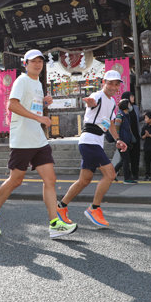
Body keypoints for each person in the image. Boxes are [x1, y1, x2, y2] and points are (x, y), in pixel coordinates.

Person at [0, 49, 76, 238]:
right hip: (23, 139)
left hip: (38, 139)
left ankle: (54, 224)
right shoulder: (22, 80)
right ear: (25, 64)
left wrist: (44, 103)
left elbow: (30, 105)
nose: (38, 64)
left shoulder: (38, 83)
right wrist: (39, 118)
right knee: (16, 180)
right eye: (33, 61)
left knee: (50, 180)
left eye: (40, 61)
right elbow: (12, 105)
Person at [55, 69, 128, 229]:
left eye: (116, 84)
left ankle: (60, 207)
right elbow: (91, 102)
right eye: (110, 83)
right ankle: (94, 209)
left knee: (84, 180)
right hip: (89, 141)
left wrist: (117, 140)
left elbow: (110, 124)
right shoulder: (97, 96)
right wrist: (90, 103)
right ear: (104, 83)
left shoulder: (113, 102)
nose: (113, 87)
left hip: (95, 142)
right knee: (110, 174)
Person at [111, 99, 139, 183]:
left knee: (125, 159)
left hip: (126, 141)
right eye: (129, 104)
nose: (130, 106)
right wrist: (118, 140)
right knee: (126, 160)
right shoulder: (120, 116)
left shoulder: (126, 115)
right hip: (122, 141)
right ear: (125, 105)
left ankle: (112, 174)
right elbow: (116, 129)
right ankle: (127, 178)